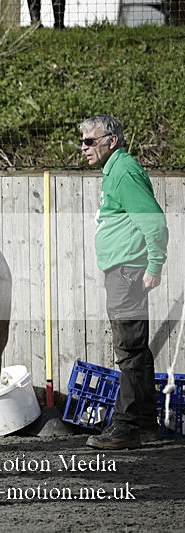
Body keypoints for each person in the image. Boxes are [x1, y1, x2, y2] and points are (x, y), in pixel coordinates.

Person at [80, 115, 169, 450]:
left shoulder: (123, 171)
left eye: (90, 141)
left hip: (128, 271)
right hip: (125, 270)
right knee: (137, 352)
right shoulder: (115, 171)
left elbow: (154, 222)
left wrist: (154, 265)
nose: (84, 147)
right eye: (83, 141)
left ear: (111, 140)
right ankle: (145, 425)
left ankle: (127, 428)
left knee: (129, 351)